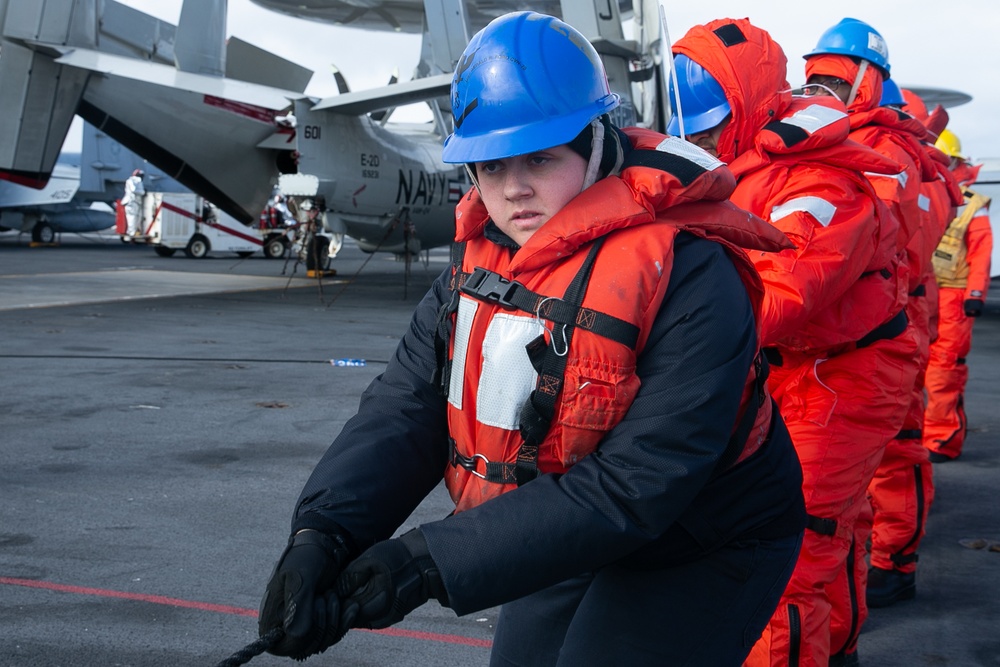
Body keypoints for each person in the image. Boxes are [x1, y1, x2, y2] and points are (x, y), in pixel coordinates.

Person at [256, 11, 806, 666]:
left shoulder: (690, 274)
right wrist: (324, 531)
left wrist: (428, 561)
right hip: (566, 517)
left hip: (707, 535)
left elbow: (641, 480)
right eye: (491, 165)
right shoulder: (479, 261)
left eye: (540, 158)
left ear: (595, 144)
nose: (513, 188)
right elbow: (408, 405)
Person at [668, 18, 918, 667]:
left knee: (789, 555)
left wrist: (667, 326)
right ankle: (837, 648)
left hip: (842, 380)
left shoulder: (818, 182)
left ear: (745, 107)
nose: (697, 140)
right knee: (833, 530)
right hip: (804, 370)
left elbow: (781, 295)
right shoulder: (755, 165)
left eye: (707, 126)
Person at [802, 20, 938, 639]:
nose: (819, 87)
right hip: (845, 344)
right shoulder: (836, 145)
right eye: (814, 75)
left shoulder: (885, 153)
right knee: (843, 505)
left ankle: (896, 563)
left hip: (877, 337)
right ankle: (842, 633)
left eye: (834, 76)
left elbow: (872, 235)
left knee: (882, 466)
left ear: (868, 83)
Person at [864, 89, 965, 610]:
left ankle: (895, 561)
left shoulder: (906, 176)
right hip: (899, 320)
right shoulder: (923, 178)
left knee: (898, 447)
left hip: (893, 323)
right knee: (885, 449)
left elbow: (898, 251)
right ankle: (888, 553)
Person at [923, 129, 993, 462]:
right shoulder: (920, 192)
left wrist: (975, 294)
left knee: (944, 371)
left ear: (955, 161)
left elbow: (981, 253)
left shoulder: (971, 205)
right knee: (912, 370)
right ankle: (916, 435)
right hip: (921, 294)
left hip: (954, 297)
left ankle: (941, 440)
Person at [121, 168, 145, 241]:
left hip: (136, 202)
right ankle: (131, 233)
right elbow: (133, 190)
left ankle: (134, 232)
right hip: (131, 202)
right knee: (132, 217)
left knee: (137, 217)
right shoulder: (132, 180)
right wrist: (143, 192)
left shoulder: (137, 181)